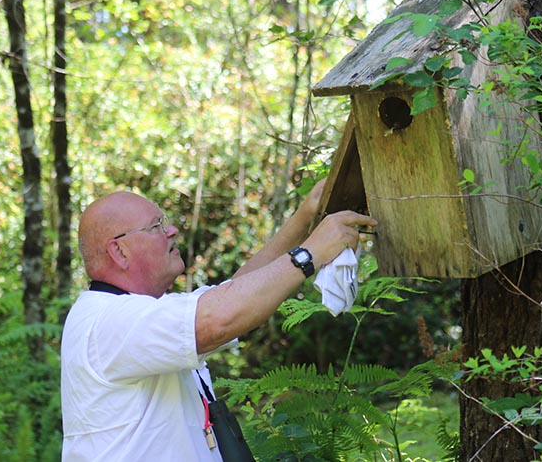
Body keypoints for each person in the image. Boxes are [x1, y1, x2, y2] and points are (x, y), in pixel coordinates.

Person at [60, 181, 376, 461]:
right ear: (119, 251)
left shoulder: (143, 311)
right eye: (156, 226)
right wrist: (310, 254)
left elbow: (234, 294)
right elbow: (219, 319)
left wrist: (304, 219)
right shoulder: (107, 321)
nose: (172, 231)